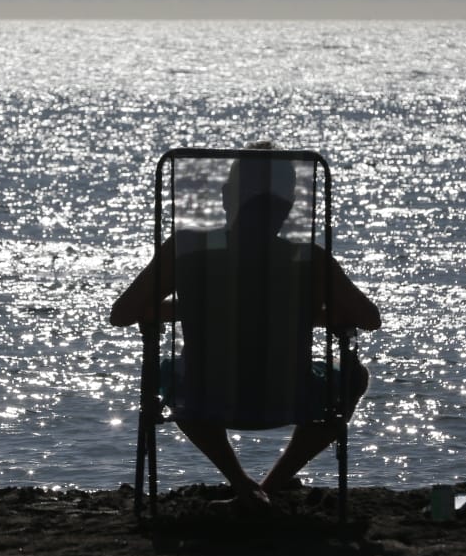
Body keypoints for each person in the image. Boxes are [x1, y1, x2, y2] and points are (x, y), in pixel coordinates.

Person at [111, 146, 381, 510]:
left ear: (228, 196)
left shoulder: (187, 249)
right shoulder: (308, 259)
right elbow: (367, 319)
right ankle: (269, 487)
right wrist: (300, 310)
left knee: (165, 374)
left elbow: (124, 313)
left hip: (205, 394)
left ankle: (244, 487)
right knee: (354, 377)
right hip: (290, 394)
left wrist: (193, 306)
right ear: (288, 204)